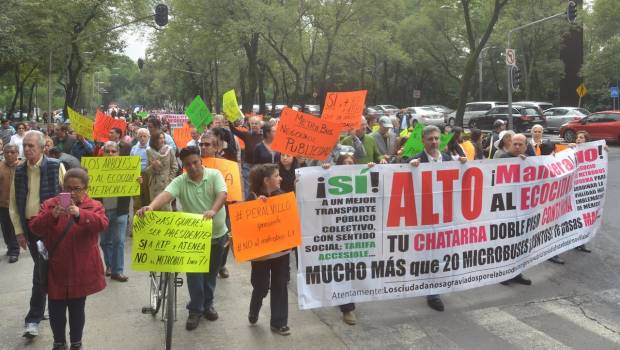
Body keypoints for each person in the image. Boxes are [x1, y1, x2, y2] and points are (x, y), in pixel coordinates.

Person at [137, 147, 228, 331]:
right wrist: (151, 206)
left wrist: (213, 210)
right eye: (187, 164)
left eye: (195, 162)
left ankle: (208, 305)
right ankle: (195, 310)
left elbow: (222, 194)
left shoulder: (215, 175)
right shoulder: (180, 181)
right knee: (194, 276)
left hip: (217, 235)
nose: (192, 167)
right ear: (183, 166)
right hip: (193, 237)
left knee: (210, 275)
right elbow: (166, 194)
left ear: (201, 160)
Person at [28, 168, 108, 350]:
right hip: (56, 268)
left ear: (85, 189)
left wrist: (79, 213)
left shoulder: (94, 205)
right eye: (67, 188)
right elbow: (34, 227)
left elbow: (102, 224)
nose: (71, 193)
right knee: (55, 309)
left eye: (76, 188)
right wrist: (52, 215)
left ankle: (76, 343)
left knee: (77, 309)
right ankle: (58, 342)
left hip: (81, 269)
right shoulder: (50, 204)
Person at [9, 130, 66, 338]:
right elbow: (14, 204)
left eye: (31, 146)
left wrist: (64, 220)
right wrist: (19, 232)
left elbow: (66, 194)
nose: (27, 149)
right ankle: (38, 314)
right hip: (31, 228)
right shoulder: (20, 170)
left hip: (52, 228)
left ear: (43, 148)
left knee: (42, 269)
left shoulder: (55, 166)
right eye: (25, 145)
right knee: (42, 268)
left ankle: (35, 316)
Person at [406, 125, 467, 312]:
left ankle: (435, 287)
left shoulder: (449, 159)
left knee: (440, 252)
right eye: (430, 139)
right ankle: (431, 292)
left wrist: (464, 165)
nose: (434, 142)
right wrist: (410, 168)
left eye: (436, 139)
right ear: (423, 141)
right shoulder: (414, 160)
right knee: (427, 254)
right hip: (424, 216)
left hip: (445, 216)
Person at [246, 164, 291, 335]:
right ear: (266, 180)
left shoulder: (283, 196)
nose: (280, 178)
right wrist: (255, 208)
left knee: (280, 283)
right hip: (261, 254)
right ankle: (254, 308)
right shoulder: (252, 197)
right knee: (261, 286)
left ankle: (278, 323)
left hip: (281, 251)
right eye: (277, 175)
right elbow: (244, 223)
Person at [496, 133, 534, 286]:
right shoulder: (502, 159)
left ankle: (516, 272)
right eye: (515, 144)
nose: (517, 147)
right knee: (506, 243)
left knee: (519, 243)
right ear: (510, 144)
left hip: (522, 209)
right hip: (505, 209)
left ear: (526, 146)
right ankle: (503, 274)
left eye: (521, 144)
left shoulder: (529, 160)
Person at [99, 142, 133, 282]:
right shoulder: (96, 169)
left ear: (118, 153)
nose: (111, 154)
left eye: (114, 151)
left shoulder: (127, 168)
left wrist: (137, 181)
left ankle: (118, 271)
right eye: (108, 151)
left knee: (119, 241)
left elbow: (134, 186)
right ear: (104, 153)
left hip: (121, 210)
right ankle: (109, 266)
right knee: (105, 241)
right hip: (102, 211)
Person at [145, 131, 178, 211]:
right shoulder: (149, 151)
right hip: (154, 185)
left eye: (163, 138)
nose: (162, 140)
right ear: (154, 140)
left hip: (166, 184)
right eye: (160, 138)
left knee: (166, 208)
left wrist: (169, 180)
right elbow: (147, 170)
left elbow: (175, 167)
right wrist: (153, 166)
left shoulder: (169, 149)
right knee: (154, 208)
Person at [0, 143, 20, 262]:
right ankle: (10, 246)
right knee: (5, 228)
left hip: (17, 204)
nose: (9, 154)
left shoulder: (22, 166)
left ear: (17, 153)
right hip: (3, 204)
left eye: (12, 152)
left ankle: (14, 251)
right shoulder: (1, 166)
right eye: (7, 152)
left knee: (14, 227)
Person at [130, 128, 150, 214]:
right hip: (136, 175)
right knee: (137, 200)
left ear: (148, 137)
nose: (142, 138)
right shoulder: (134, 149)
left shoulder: (152, 148)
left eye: (144, 136)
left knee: (148, 199)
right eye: (140, 136)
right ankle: (136, 220)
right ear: (137, 137)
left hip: (148, 175)